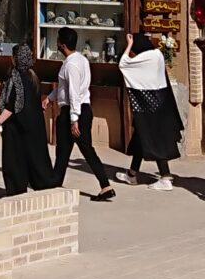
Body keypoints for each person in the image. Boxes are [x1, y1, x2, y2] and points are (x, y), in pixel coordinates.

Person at [48, 26, 116, 199]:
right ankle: (103, 185)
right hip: (82, 109)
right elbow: (67, 88)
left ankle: (103, 185)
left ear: (62, 45)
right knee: (71, 150)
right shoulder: (82, 60)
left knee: (71, 151)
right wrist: (50, 97)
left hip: (73, 111)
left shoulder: (70, 65)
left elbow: (73, 92)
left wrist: (73, 119)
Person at [117, 30, 181, 188]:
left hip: (148, 106)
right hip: (162, 102)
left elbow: (123, 64)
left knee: (153, 138)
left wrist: (129, 45)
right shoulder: (157, 55)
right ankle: (132, 174)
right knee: (141, 136)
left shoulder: (145, 58)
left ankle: (165, 177)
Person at [0, 43, 54, 195]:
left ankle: (16, 193)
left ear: (15, 59)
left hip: (17, 130)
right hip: (34, 128)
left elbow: (13, 105)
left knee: (14, 164)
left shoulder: (16, 77)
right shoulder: (33, 77)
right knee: (35, 162)